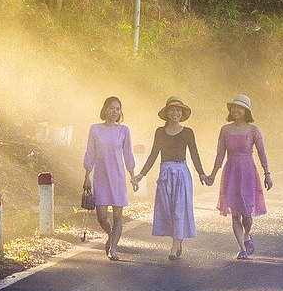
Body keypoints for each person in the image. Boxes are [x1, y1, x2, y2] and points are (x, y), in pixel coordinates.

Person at [132, 97, 207, 260]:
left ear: (182, 113)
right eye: (172, 110)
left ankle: (174, 245)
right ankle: (178, 240)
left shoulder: (187, 132)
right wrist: (141, 174)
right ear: (167, 113)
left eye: (178, 110)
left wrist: (201, 173)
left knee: (179, 209)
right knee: (167, 210)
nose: (175, 113)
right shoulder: (160, 132)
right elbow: (153, 154)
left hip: (181, 173)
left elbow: (194, 154)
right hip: (165, 173)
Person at [211, 94, 271, 260]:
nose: (235, 110)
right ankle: (242, 249)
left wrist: (267, 173)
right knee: (235, 212)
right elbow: (220, 154)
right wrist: (212, 174)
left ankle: (247, 234)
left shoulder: (253, 130)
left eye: (240, 108)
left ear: (246, 111)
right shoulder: (225, 130)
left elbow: (262, 153)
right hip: (231, 173)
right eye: (234, 107)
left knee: (247, 214)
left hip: (248, 173)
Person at [82, 96, 136, 260]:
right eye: (111, 108)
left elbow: (128, 154)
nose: (115, 112)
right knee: (102, 216)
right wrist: (87, 176)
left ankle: (113, 249)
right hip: (101, 178)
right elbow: (90, 152)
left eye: (118, 109)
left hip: (118, 177)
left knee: (118, 215)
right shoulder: (95, 129)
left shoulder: (124, 130)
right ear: (104, 110)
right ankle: (110, 234)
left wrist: (133, 176)